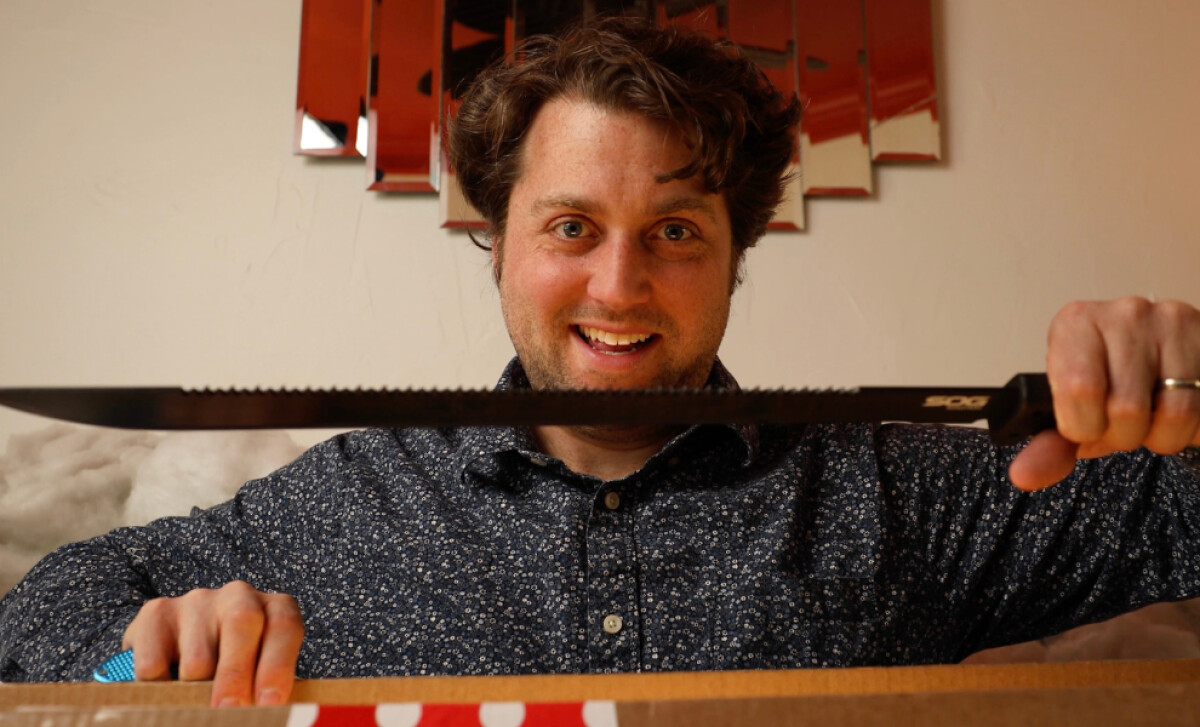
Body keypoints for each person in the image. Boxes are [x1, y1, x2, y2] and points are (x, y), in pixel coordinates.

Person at [2, 16, 1199, 709]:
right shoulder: (347, 502)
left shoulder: (905, 497)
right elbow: (44, 606)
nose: (619, 287)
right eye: (571, 227)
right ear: (497, 242)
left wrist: (1186, 391)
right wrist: (139, 652)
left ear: (738, 252)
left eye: (675, 232)